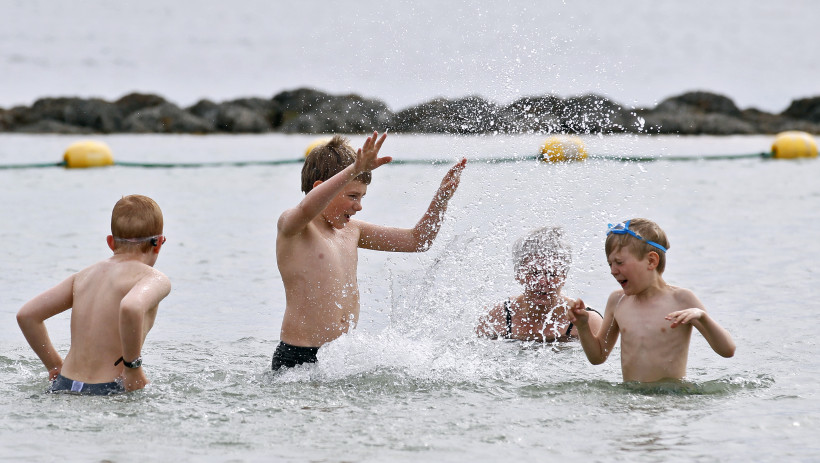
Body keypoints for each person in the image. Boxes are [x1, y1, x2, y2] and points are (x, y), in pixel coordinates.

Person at [274, 130, 466, 370]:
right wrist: (354, 169)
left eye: (362, 196)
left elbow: (418, 241)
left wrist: (441, 199)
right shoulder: (294, 227)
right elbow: (305, 209)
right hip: (298, 358)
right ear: (321, 189)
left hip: (339, 358)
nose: (359, 206)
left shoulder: (353, 231)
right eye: (353, 196)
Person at [16, 195, 171, 395]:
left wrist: (54, 366)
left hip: (63, 385)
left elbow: (27, 315)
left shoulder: (83, 276)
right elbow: (131, 307)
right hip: (107, 390)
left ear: (110, 242)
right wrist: (133, 369)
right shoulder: (153, 278)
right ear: (158, 243)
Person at [568, 218, 735, 382]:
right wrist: (583, 325)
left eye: (619, 262)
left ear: (651, 261)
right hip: (631, 402)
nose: (613, 270)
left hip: (670, 401)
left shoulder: (681, 299)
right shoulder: (617, 301)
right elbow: (597, 356)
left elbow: (728, 350)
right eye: (609, 264)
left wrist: (702, 317)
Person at [476, 226, 603, 342]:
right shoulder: (496, 318)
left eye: (552, 274)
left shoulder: (587, 322)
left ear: (564, 277)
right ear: (518, 274)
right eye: (534, 273)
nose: (542, 282)